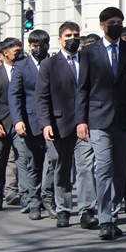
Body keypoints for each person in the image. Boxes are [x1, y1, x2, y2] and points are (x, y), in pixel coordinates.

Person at [76, 7, 126, 240]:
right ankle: (105, 219)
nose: (115, 25)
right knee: (104, 168)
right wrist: (81, 120)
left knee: (120, 171)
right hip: (98, 119)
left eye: (119, 21)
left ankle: (114, 215)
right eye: (111, 22)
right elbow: (83, 88)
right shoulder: (90, 52)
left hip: (125, 118)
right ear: (101, 25)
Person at [36, 22, 98, 229]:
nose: (73, 39)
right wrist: (45, 123)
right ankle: (63, 209)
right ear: (60, 39)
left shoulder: (88, 61)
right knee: (61, 168)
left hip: (85, 125)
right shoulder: (49, 64)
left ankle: (87, 210)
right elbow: (42, 97)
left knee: (86, 168)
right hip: (59, 124)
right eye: (69, 35)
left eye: (76, 35)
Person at [8, 29, 51, 220]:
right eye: (35, 46)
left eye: (42, 46)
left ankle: (49, 198)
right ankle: (34, 201)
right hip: (31, 121)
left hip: (54, 121)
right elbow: (15, 95)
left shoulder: (54, 64)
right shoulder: (21, 66)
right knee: (34, 163)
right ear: (30, 47)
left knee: (54, 162)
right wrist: (18, 120)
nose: (38, 49)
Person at [0, 38, 26, 212]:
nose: (19, 54)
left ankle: (26, 196)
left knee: (23, 160)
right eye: (16, 51)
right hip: (1, 125)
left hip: (21, 124)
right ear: (5, 53)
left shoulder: (24, 70)